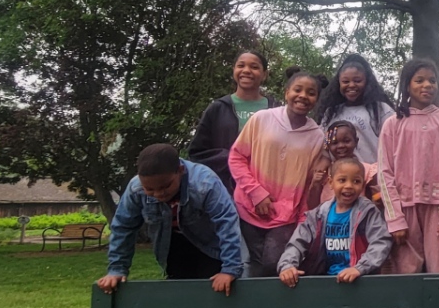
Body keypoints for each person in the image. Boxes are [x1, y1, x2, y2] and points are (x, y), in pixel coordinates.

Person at [97, 143, 243, 295]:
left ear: (180, 171)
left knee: (214, 294)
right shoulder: (136, 188)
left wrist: (229, 269)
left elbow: (227, 222)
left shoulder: (204, 184)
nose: (159, 194)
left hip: (211, 246)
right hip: (172, 246)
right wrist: (117, 269)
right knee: (180, 295)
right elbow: (123, 227)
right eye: (150, 189)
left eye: (165, 186)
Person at [229, 68, 329, 277]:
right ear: (286, 92)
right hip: (248, 207)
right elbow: (237, 157)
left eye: (311, 93)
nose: (303, 96)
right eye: (297, 90)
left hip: (286, 216)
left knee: (274, 264)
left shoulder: (317, 136)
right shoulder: (261, 119)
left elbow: (309, 182)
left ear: (317, 99)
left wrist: (303, 219)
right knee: (248, 267)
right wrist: (257, 193)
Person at [377, 57, 439, 273]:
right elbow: (384, 172)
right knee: (404, 271)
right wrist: (395, 219)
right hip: (404, 208)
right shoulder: (393, 124)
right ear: (407, 85)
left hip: (438, 208)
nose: (427, 85)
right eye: (419, 80)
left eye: (432, 81)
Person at [277, 155, 392, 285]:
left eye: (356, 181)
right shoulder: (319, 214)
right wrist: (287, 266)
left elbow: (381, 242)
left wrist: (359, 268)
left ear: (362, 185)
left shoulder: (367, 212)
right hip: (325, 280)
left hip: (360, 281)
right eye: (342, 180)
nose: (349, 186)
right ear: (331, 183)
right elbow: (298, 242)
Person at [188, 50, 279, 191]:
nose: (246, 71)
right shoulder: (218, 108)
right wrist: (234, 160)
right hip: (225, 190)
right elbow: (197, 152)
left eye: (254, 67)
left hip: (267, 190)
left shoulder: (276, 109)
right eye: (241, 66)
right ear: (234, 70)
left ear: (264, 74)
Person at [316, 54, 396, 165]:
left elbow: (395, 144)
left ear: (367, 82)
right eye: (345, 81)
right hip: (338, 177)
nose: (352, 85)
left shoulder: (381, 110)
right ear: (338, 83)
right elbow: (323, 145)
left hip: (373, 176)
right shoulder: (331, 113)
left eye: (357, 81)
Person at [323, 120, 381, 203]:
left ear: (356, 142)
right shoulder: (325, 172)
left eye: (346, 141)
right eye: (335, 143)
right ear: (328, 146)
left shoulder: (367, 171)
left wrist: (377, 198)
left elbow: (377, 198)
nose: (341, 146)